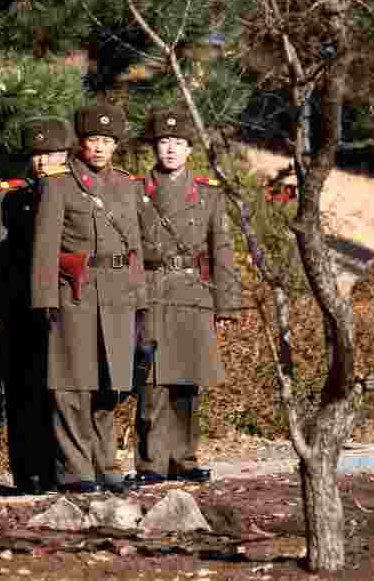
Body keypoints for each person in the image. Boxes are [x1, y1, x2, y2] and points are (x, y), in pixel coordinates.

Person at [30, 103, 149, 494]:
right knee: (71, 387)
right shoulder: (59, 184)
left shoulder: (126, 184)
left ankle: (105, 463)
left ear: (116, 145)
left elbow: (135, 248)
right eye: (93, 140)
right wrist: (45, 299)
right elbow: (45, 247)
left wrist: (140, 299)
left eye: (107, 141)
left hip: (117, 295)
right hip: (74, 295)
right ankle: (74, 469)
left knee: (108, 385)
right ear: (81, 142)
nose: (99, 148)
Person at [128, 106, 240, 486]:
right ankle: (151, 463)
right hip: (153, 290)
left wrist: (226, 302)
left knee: (188, 384)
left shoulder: (208, 195)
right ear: (155, 148)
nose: (171, 149)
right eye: (164, 142)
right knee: (152, 383)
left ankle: (185, 459)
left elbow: (221, 249)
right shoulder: (135, 191)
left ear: (189, 150)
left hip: (193, 293)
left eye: (178, 143)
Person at [0, 117, 75, 495]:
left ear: (66, 154)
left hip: (66, 306)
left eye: (51, 153)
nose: (43, 161)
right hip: (20, 308)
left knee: (64, 390)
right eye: (37, 154)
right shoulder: (11, 194)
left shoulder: (79, 192)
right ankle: (27, 474)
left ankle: (63, 469)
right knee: (23, 391)